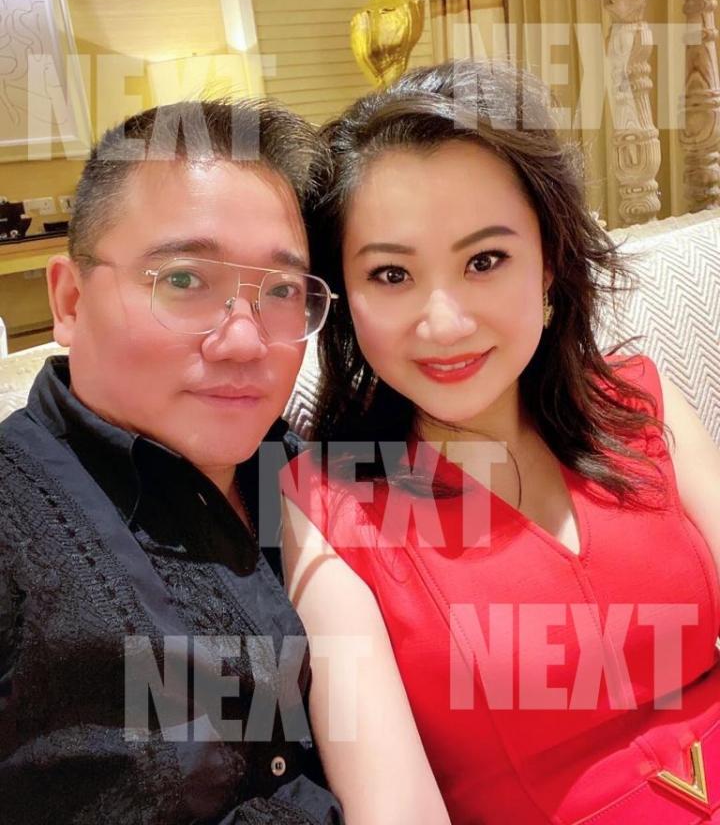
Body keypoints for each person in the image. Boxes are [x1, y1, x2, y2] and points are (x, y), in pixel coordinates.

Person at [280, 60, 720, 825]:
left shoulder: (640, 402)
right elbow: (394, 808)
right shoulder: (326, 509)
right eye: (392, 275)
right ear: (346, 299)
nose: (445, 323)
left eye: (485, 261)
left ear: (549, 261)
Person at [0, 99, 344, 824]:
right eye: (185, 280)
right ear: (70, 300)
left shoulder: (311, 474)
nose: (245, 342)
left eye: (281, 291)